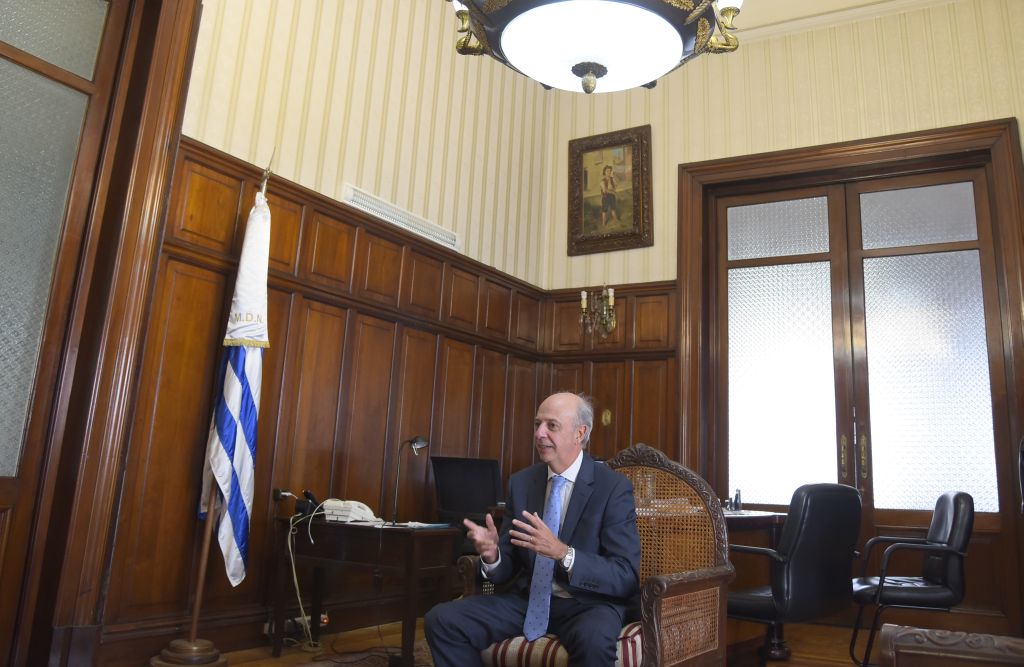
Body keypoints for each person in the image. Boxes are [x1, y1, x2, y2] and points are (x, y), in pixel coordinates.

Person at [424, 392, 641, 666]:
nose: (539, 433)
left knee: (594, 642)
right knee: (442, 620)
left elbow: (624, 574)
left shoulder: (613, 488)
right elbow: (510, 563)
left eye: (552, 425)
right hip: (529, 600)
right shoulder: (522, 483)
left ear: (580, 433)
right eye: (538, 424)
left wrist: (562, 553)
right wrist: (493, 556)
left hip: (588, 604)